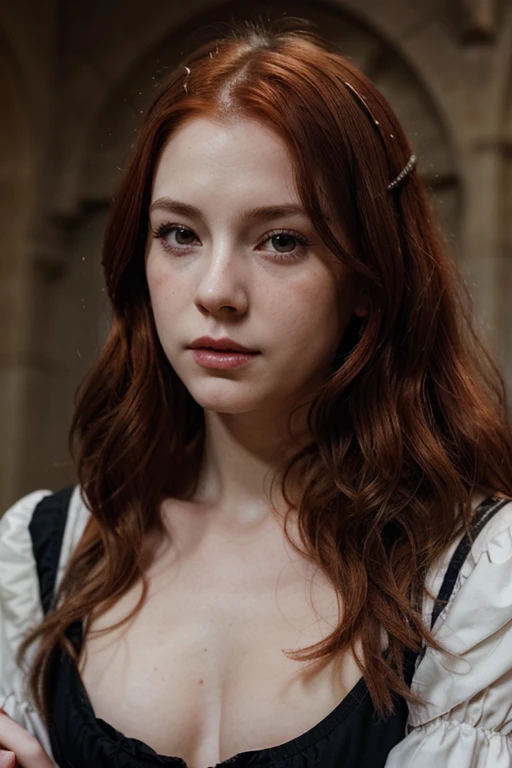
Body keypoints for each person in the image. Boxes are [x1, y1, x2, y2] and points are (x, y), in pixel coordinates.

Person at [1, 18, 511, 768]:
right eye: (179, 234)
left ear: (370, 278)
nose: (216, 292)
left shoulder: (474, 581)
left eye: (281, 240)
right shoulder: (41, 559)